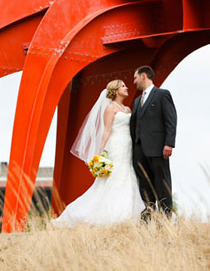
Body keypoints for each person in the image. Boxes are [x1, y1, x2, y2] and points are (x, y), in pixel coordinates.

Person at [53, 79, 144, 226]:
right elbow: (107, 130)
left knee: (128, 175)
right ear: (115, 90)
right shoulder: (110, 108)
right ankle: (113, 214)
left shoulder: (127, 109)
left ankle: (129, 213)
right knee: (116, 176)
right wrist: (101, 151)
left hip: (128, 146)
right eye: (123, 86)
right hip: (115, 145)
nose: (127, 88)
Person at [131, 66, 177, 217]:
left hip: (158, 148)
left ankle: (165, 217)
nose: (134, 81)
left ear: (143, 76)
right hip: (139, 150)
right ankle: (148, 216)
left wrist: (169, 143)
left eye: (135, 77)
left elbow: (171, 119)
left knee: (161, 181)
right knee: (144, 183)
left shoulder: (162, 95)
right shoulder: (137, 101)